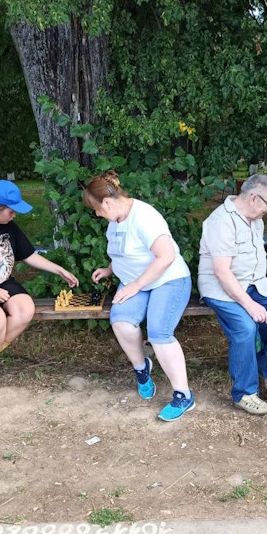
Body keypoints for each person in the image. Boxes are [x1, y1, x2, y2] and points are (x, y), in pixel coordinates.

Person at [83, 170, 195, 421]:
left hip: (168, 278)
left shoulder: (144, 217)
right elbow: (124, 254)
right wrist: (109, 269)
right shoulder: (115, 221)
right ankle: (142, 368)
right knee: (121, 321)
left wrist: (135, 286)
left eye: (97, 209)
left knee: (159, 333)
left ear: (108, 202)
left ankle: (184, 395)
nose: (97, 215)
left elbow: (165, 257)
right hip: (136, 282)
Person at [0, 180, 79, 401]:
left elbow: (28, 255)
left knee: (26, 309)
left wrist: (59, 270)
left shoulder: (9, 227)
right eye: (11, 211)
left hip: (3, 282)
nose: (14, 216)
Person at [198, 174, 267, 415]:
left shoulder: (255, 218)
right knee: (245, 328)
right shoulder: (221, 221)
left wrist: (253, 296)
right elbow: (222, 272)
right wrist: (250, 305)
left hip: (253, 284)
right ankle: (244, 392)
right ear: (253, 198)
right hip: (221, 288)